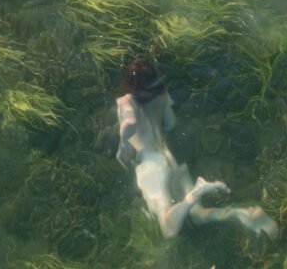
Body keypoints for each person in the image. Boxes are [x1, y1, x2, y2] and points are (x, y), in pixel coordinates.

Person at [116, 57, 278, 239]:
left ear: (129, 83)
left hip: (151, 164)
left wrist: (123, 144)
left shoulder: (125, 101)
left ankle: (197, 191)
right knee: (198, 215)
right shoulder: (162, 96)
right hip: (169, 157)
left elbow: (129, 121)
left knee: (168, 228)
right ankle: (240, 215)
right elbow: (170, 124)